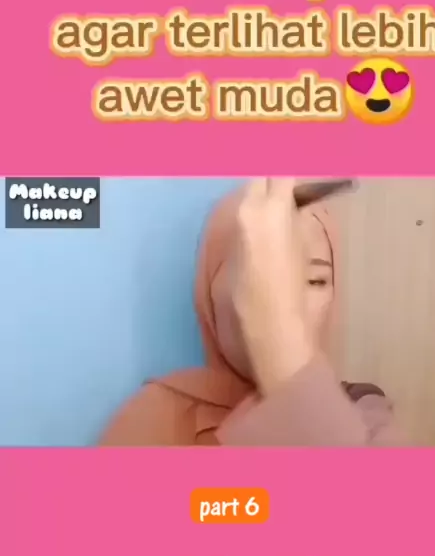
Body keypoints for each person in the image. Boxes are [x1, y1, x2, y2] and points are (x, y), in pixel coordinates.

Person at [99, 178, 403, 446]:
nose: (285, 300)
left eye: (315, 280)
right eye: (261, 274)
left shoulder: (364, 412)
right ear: (208, 292)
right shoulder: (151, 420)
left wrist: (283, 356)